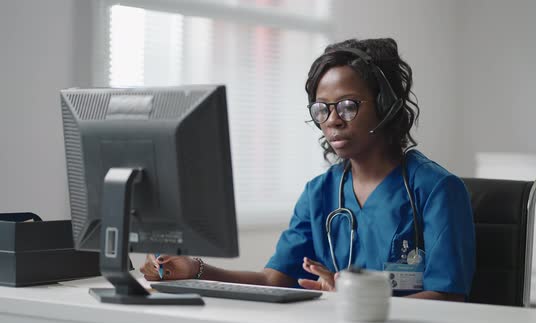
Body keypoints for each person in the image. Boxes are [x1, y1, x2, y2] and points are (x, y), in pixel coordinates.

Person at [141, 38, 475, 301]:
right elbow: (273, 279)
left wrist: (353, 298)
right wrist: (196, 270)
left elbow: (447, 296)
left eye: (347, 106)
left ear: (386, 107)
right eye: (322, 109)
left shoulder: (436, 189)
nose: (332, 119)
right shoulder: (319, 194)